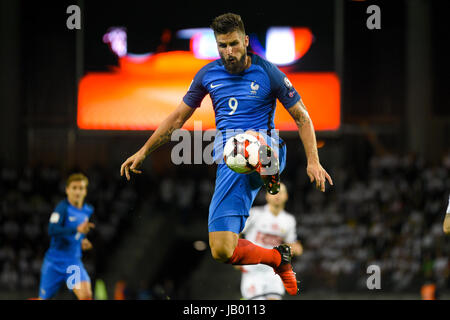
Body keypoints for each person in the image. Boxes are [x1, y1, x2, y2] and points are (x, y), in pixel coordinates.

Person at [120, 13, 333, 295]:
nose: (228, 52)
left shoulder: (267, 71)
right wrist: (144, 151)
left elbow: (302, 117)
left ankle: (270, 177)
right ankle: (277, 259)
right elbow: (176, 120)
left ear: (245, 41)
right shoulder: (208, 75)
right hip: (231, 167)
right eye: (222, 46)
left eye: (233, 44)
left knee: (246, 144)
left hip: (267, 149)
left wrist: (313, 161)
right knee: (222, 250)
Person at [238, 183, 303, 300]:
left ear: (286, 196)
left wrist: (296, 248)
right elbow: (236, 232)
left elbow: (290, 244)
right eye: (274, 191)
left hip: (273, 272)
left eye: (281, 192)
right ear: (267, 196)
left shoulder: (289, 220)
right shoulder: (255, 214)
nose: (277, 195)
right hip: (253, 271)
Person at [38, 173, 95, 300]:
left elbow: (78, 233)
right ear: (67, 190)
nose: (77, 192)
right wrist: (76, 230)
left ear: (85, 191)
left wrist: (82, 240)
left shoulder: (88, 210)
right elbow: (52, 230)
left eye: (80, 188)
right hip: (54, 263)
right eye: (74, 188)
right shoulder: (62, 208)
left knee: (86, 296)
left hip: (72, 263)